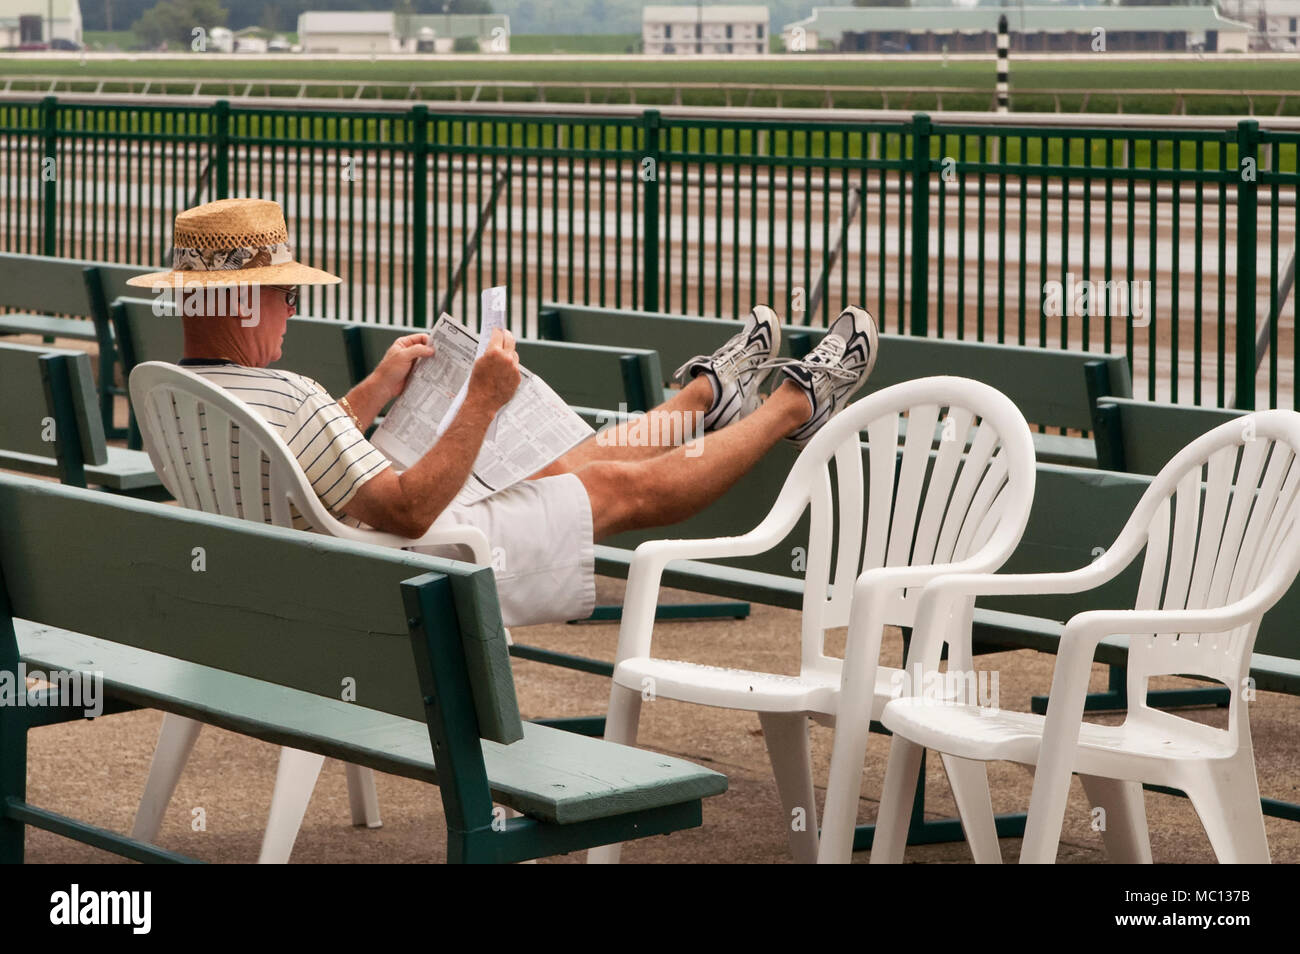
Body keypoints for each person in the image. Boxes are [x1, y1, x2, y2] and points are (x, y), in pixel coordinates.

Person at [129, 198, 879, 626]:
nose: (292, 311)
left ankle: (702, 397)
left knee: (562, 462)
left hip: (301, 572)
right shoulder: (286, 395)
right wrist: (483, 399)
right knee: (615, 489)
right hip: (388, 575)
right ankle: (793, 404)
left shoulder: (167, 390)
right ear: (249, 299)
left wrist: (374, 394)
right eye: (287, 294)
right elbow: (412, 509)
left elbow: (286, 457)